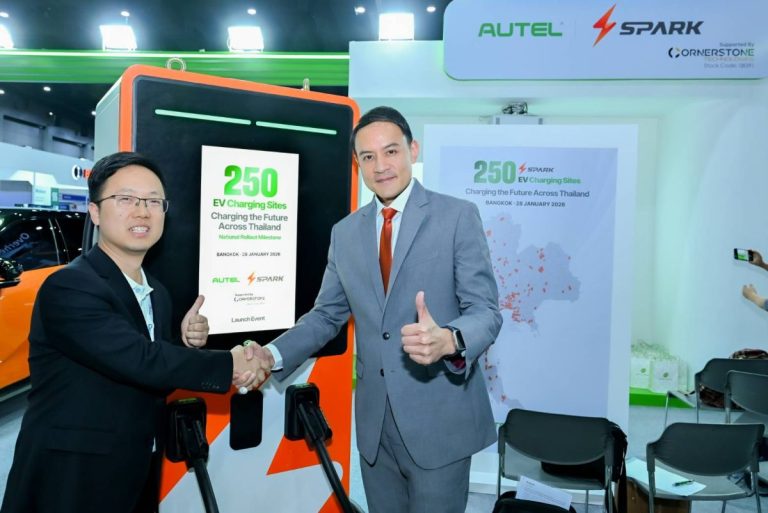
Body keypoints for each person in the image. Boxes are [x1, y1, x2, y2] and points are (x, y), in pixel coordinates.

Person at [248, 106, 502, 513]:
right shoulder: (345, 232)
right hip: (374, 427)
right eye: (368, 156)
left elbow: (486, 311)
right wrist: (271, 354)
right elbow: (326, 315)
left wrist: (449, 340)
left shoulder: (456, 216)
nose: (380, 166)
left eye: (391, 152)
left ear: (413, 150)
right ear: (357, 164)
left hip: (440, 422)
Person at [0, 152, 270, 513]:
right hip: (71, 476)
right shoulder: (69, 286)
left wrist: (185, 345)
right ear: (95, 212)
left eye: (153, 201)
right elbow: (140, 359)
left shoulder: (157, 292)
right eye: (125, 199)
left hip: (135, 467)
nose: (142, 212)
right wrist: (231, 363)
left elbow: (152, 373)